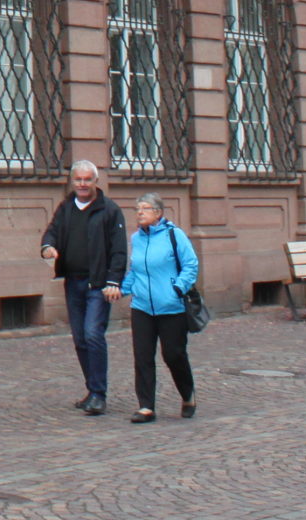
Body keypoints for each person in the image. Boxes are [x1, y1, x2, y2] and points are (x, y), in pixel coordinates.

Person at [40, 160, 128, 414]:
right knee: (80, 338)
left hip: (98, 284)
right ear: (72, 181)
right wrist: (48, 247)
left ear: (95, 181)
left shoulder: (109, 210)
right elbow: (52, 231)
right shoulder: (66, 207)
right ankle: (92, 389)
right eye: (78, 179)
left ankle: (99, 393)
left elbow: (119, 250)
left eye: (87, 179)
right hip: (73, 282)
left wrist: (114, 281)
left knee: (92, 334)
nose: (82, 184)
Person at [119, 193, 199, 423]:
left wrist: (178, 288)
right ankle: (146, 406)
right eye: (137, 209)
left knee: (173, 355)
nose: (140, 213)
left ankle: (187, 394)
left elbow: (190, 264)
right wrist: (122, 289)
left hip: (171, 307)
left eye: (145, 208)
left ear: (158, 213)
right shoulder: (136, 238)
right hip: (142, 307)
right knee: (142, 356)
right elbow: (135, 271)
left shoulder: (174, 235)